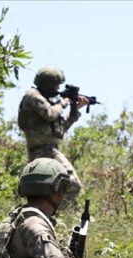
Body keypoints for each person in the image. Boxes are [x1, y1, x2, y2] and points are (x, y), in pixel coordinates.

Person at [18, 66, 90, 204]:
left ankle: (51, 213)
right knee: (72, 183)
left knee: (53, 188)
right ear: (47, 84)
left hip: (48, 149)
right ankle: (56, 213)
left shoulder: (48, 101)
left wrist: (76, 109)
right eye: (56, 86)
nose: (57, 90)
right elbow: (50, 114)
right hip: (42, 149)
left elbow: (60, 130)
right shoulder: (32, 95)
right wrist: (64, 102)